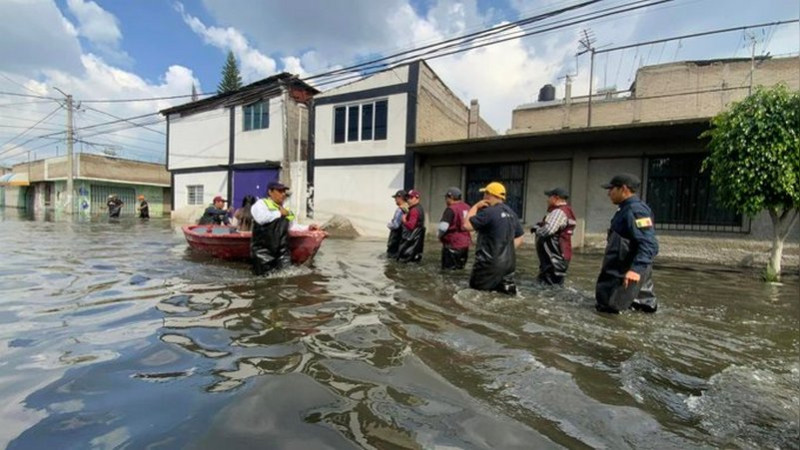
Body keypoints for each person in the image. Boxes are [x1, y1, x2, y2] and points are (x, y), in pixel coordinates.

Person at [595, 174, 659, 314]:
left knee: (616, 311)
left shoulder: (636, 210)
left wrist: (636, 270)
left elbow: (649, 243)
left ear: (623, 189)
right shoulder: (626, 209)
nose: (608, 193)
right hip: (620, 272)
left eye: (611, 189)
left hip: (625, 275)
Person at [464, 181, 524, 294]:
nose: (483, 197)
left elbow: (466, 225)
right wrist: (505, 250)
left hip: (488, 265)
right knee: (505, 297)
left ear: (488, 194)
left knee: (477, 295)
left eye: (484, 194)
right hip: (508, 265)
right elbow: (520, 238)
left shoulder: (489, 212)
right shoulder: (512, 213)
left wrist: (476, 206)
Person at [251, 181, 318, 275]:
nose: (283, 194)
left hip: (282, 251)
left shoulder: (286, 210)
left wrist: (308, 228)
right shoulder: (261, 204)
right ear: (270, 192)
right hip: (264, 252)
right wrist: (279, 213)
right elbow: (261, 219)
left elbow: (292, 226)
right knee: (264, 278)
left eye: (284, 192)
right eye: (279, 191)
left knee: (287, 277)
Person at [532, 187, 576, 286]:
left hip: (554, 259)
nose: (547, 200)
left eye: (549, 197)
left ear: (556, 198)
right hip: (560, 257)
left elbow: (548, 230)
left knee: (549, 287)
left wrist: (537, 229)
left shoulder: (558, 212)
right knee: (554, 285)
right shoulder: (568, 211)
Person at [438, 187, 471, 269]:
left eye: (446, 197)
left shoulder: (451, 209)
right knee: (460, 269)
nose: (445, 200)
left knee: (448, 272)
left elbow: (443, 227)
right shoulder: (467, 207)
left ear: (451, 197)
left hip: (452, 245)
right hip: (465, 245)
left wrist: (439, 236)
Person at [396, 189, 425, 263]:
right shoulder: (419, 208)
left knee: (403, 264)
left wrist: (404, 220)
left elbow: (411, 226)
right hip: (416, 245)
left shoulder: (414, 210)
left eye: (411, 198)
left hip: (410, 245)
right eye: (408, 197)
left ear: (417, 198)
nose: (409, 200)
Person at [386, 190, 408, 258]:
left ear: (400, 198)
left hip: (396, 237)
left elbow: (396, 225)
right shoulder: (407, 207)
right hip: (403, 237)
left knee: (391, 256)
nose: (395, 200)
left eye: (396, 198)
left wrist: (389, 225)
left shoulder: (399, 210)